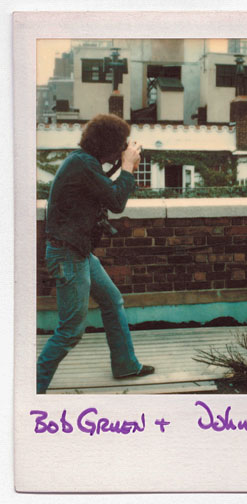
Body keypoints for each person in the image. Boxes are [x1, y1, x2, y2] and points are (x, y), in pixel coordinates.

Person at [37, 113, 155, 394]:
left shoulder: (83, 163)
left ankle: (126, 364)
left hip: (77, 252)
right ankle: (32, 389)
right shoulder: (82, 164)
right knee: (70, 331)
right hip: (69, 255)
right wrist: (127, 166)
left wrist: (123, 167)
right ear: (108, 144)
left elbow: (108, 190)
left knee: (112, 300)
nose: (123, 149)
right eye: (120, 145)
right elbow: (116, 201)